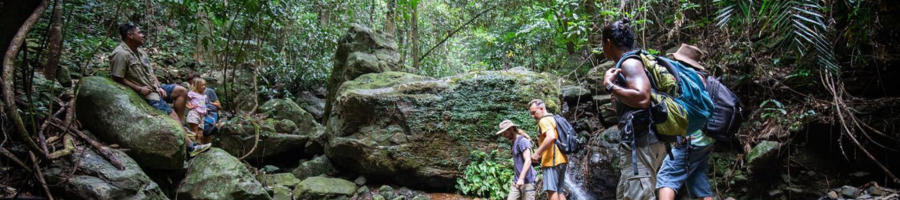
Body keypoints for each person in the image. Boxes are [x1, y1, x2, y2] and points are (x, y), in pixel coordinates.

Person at [109, 22, 206, 156]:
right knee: (170, 114)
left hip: (154, 88)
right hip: (145, 94)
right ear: (130, 36)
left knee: (181, 91)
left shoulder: (140, 52)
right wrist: (138, 89)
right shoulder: (120, 54)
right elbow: (117, 77)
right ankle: (191, 148)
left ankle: (181, 127)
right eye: (139, 33)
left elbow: (150, 72)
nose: (143, 35)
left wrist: (159, 86)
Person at [600, 19, 667, 200]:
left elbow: (643, 98)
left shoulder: (629, 63)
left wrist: (609, 86)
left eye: (602, 44)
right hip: (642, 141)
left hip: (642, 141)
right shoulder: (634, 62)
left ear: (608, 42)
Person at [655, 44, 715, 200]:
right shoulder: (703, 79)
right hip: (707, 139)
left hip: (691, 139)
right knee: (698, 180)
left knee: (666, 176)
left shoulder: (683, 80)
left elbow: (682, 111)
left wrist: (680, 135)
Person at [527, 99, 567, 200]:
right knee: (560, 191)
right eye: (531, 113)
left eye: (534, 112)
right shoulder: (554, 118)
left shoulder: (544, 120)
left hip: (551, 161)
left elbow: (551, 137)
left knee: (551, 191)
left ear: (541, 109)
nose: (533, 116)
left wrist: (537, 153)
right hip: (562, 159)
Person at [496, 120, 537, 200]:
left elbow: (528, 160)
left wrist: (521, 179)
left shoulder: (522, 141)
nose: (503, 135)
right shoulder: (514, 142)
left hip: (528, 181)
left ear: (510, 129)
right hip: (517, 181)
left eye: (504, 132)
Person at [186, 78, 211, 156]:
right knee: (194, 131)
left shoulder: (203, 95)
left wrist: (205, 109)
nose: (204, 87)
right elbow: (185, 99)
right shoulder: (192, 93)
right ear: (197, 86)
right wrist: (189, 106)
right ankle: (192, 146)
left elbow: (201, 104)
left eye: (205, 85)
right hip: (194, 113)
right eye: (202, 85)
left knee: (200, 133)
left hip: (201, 115)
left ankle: (199, 146)